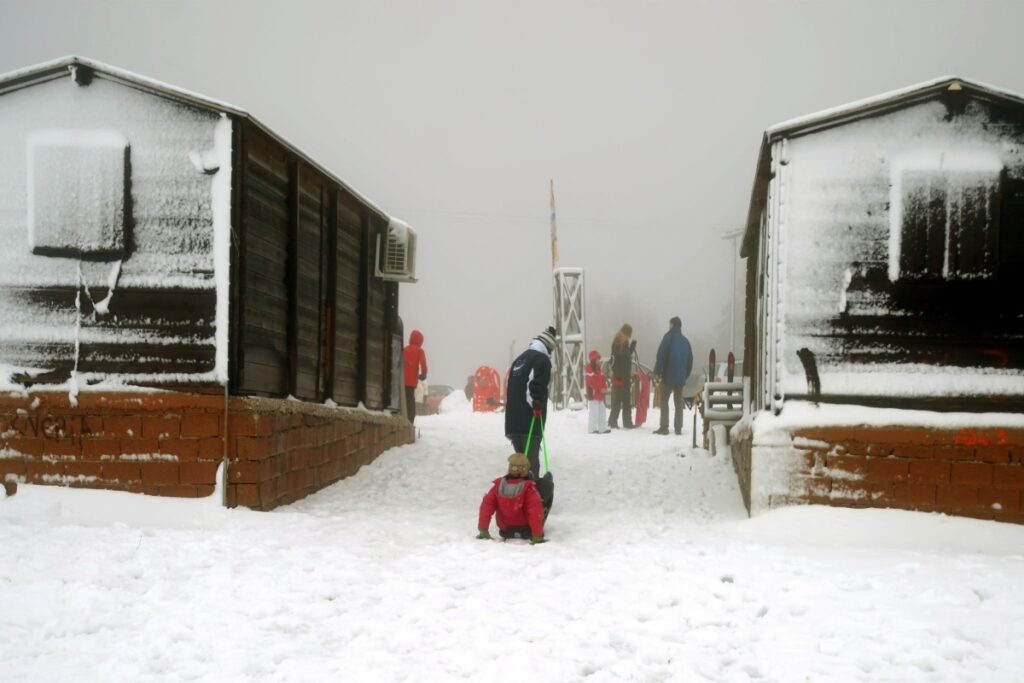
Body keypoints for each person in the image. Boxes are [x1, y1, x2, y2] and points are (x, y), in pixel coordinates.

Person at [504, 326, 556, 478]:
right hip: (530, 421)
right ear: (548, 347)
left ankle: (518, 494)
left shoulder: (519, 359)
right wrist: (537, 404)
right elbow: (534, 386)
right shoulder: (542, 360)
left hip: (513, 421)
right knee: (530, 463)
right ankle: (532, 496)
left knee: (519, 461)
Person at [476, 453, 546, 543]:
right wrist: (537, 535)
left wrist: (483, 530)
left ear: (510, 468)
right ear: (526, 469)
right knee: (545, 488)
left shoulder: (498, 487)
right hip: (526, 530)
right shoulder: (529, 489)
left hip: (505, 530)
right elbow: (535, 512)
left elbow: (486, 508)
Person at [653, 316, 693, 435]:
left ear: (672, 325)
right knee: (678, 402)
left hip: (668, 376)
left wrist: (657, 371)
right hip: (680, 378)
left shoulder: (668, 338)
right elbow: (690, 361)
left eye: (669, 324)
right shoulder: (686, 341)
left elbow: (661, 355)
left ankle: (664, 427)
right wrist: (685, 375)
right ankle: (678, 428)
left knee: (664, 401)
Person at [608, 324, 635, 429]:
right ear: (626, 333)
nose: (629, 337)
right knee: (618, 400)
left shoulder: (624, 344)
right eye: (629, 334)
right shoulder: (617, 343)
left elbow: (625, 358)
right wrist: (617, 374)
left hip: (625, 376)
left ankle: (626, 422)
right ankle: (613, 421)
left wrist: (631, 349)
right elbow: (614, 361)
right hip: (620, 376)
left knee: (625, 400)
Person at [402, 329, 428, 423]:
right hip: (412, 381)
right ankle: (410, 421)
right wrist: (423, 374)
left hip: (402, 380)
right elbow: (423, 363)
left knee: (403, 400)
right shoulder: (419, 351)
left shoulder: (405, 349)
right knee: (410, 400)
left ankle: (403, 419)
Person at [585, 349, 610, 434]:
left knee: (602, 412)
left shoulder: (599, 370)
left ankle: (602, 428)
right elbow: (591, 383)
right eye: (598, 359)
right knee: (594, 413)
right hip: (593, 395)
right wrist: (601, 389)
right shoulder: (589, 370)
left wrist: (605, 387)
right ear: (593, 360)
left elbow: (604, 381)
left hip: (600, 396)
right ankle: (592, 429)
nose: (599, 360)